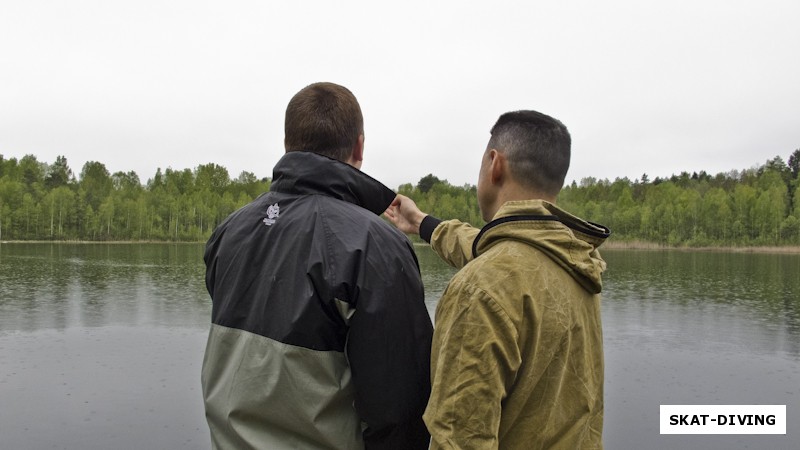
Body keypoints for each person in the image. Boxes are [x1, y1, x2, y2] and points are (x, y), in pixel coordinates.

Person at [202, 82, 433, 450]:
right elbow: (400, 409)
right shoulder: (375, 246)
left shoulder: (228, 231)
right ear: (359, 146)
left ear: (286, 144)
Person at [385, 110, 610, 449]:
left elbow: (458, 439)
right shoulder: (576, 260)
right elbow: (488, 248)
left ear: (495, 164)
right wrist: (421, 223)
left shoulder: (480, 290)